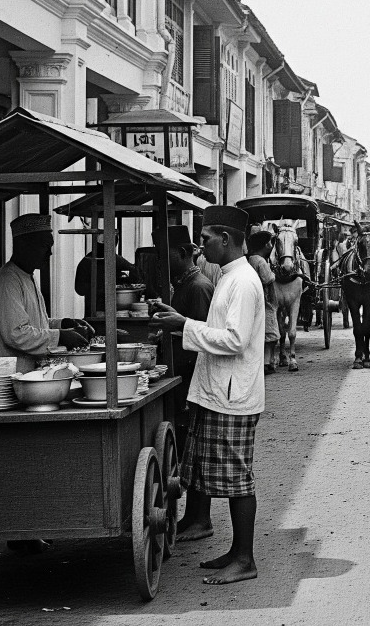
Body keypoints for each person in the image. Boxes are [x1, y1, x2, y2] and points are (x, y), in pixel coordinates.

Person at [152, 204, 264, 586]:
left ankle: (245, 559)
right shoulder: (231, 277)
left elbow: (234, 340)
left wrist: (184, 325)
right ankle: (235, 551)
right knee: (223, 475)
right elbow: (218, 328)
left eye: (204, 240)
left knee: (236, 479)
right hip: (220, 389)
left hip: (234, 395)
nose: (200, 248)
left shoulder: (244, 281)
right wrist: (182, 321)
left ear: (226, 239)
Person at [151, 224, 215, 541]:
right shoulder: (185, 285)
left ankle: (200, 519)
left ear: (181, 253)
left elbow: (202, 338)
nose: (160, 261)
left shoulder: (199, 287)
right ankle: (193, 517)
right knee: (190, 448)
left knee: (196, 448)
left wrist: (173, 339)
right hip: (183, 378)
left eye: (164, 254)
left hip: (193, 380)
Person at [0, 214, 93, 371]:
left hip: (22, 376)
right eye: (44, 246)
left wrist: (63, 324)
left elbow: (34, 323)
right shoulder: (7, 281)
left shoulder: (26, 277)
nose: (50, 254)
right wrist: (61, 336)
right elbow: (17, 334)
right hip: (3, 379)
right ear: (23, 245)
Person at [74, 232, 141, 315]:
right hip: (97, 310)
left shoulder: (117, 261)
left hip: (113, 310)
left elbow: (135, 276)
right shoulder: (87, 262)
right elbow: (80, 289)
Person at [246, 230, 280, 375]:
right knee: (271, 332)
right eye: (270, 243)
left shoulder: (250, 259)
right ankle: (267, 362)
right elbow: (268, 279)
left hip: (256, 299)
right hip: (265, 300)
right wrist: (273, 273)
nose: (272, 245)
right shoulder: (260, 261)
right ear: (266, 244)